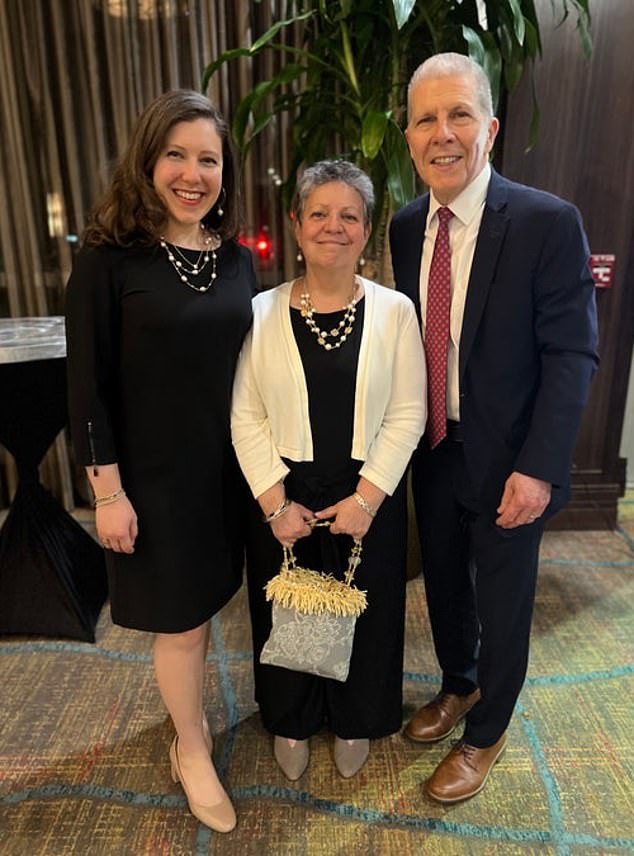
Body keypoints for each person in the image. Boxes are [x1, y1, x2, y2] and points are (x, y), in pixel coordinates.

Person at [389, 52, 599, 803]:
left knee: (506, 598)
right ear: (408, 136)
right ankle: (460, 685)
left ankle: (488, 730)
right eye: (425, 119)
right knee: (445, 581)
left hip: (512, 458)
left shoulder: (547, 222)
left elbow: (572, 354)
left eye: (459, 115)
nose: (442, 133)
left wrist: (540, 467)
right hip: (436, 448)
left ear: (490, 127)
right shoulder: (406, 225)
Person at [65, 90, 256, 832]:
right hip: (152, 482)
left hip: (228, 477)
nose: (191, 172)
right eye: (175, 154)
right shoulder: (109, 261)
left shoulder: (237, 262)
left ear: (223, 173)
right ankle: (191, 743)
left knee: (210, 610)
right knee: (179, 624)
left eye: (207, 158)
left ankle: (190, 720)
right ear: (147, 162)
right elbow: (86, 386)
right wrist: (105, 492)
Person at [231, 160, 426, 781]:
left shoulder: (396, 312)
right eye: (319, 213)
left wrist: (367, 500)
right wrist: (273, 504)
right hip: (283, 491)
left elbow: (408, 414)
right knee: (287, 610)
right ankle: (289, 720)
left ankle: (355, 718)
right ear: (297, 224)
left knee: (364, 614)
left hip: (368, 491)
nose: (333, 227)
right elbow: (245, 416)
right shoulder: (261, 312)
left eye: (349, 216)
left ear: (367, 231)